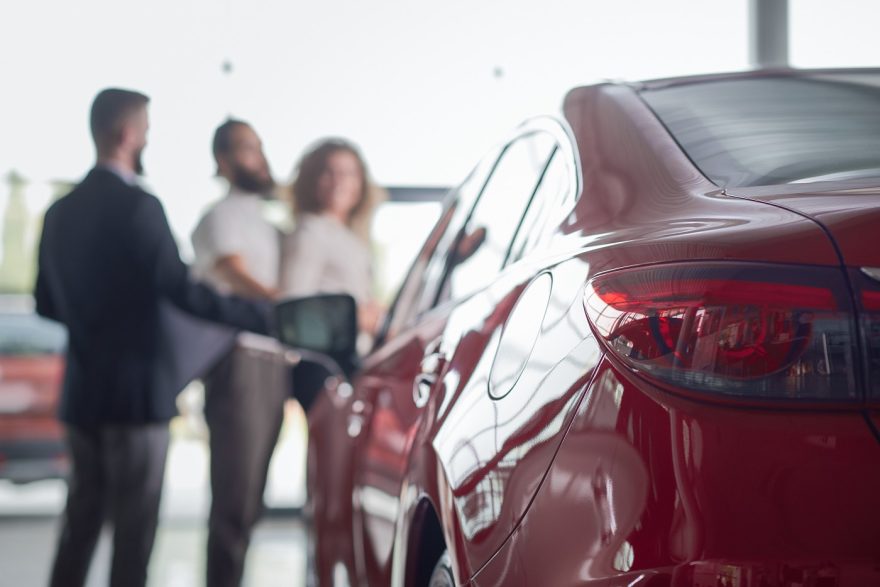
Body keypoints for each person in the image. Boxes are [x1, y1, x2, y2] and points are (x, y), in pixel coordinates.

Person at [34, 88, 272, 587]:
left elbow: (45, 303)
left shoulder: (60, 212)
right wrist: (263, 317)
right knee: (134, 531)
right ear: (126, 134)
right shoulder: (140, 207)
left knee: (79, 522)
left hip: (82, 393)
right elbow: (182, 291)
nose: (148, 138)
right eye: (145, 130)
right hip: (137, 395)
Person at [191, 119, 289, 587]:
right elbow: (234, 274)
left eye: (261, 146)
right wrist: (290, 308)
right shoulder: (219, 218)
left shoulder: (267, 225)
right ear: (225, 161)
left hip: (273, 363)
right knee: (234, 500)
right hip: (239, 361)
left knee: (251, 501)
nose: (261, 158)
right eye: (249, 149)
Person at [280, 138, 383, 335]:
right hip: (327, 357)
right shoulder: (310, 232)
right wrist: (358, 317)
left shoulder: (349, 237)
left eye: (348, 173)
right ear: (311, 180)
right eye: (329, 172)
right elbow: (293, 305)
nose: (338, 181)